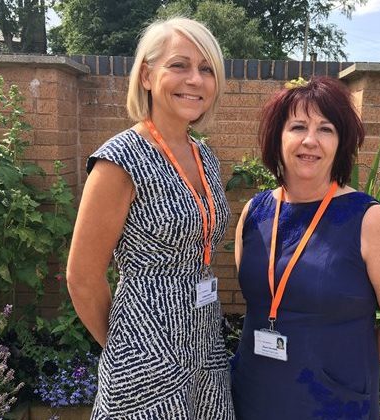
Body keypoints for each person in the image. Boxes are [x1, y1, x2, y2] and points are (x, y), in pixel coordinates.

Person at [231, 77, 380, 419]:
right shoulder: (255, 212)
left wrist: (346, 360)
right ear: (278, 138)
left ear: (341, 143)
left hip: (333, 404)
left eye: (326, 129)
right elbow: (259, 298)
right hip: (254, 394)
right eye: (297, 126)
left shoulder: (370, 220)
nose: (310, 140)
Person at [66, 17, 235, 419]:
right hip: (145, 351)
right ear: (146, 75)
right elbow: (82, 276)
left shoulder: (204, 156)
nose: (194, 79)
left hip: (205, 341)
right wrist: (130, 347)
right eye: (179, 65)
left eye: (206, 69)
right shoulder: (119, 160)